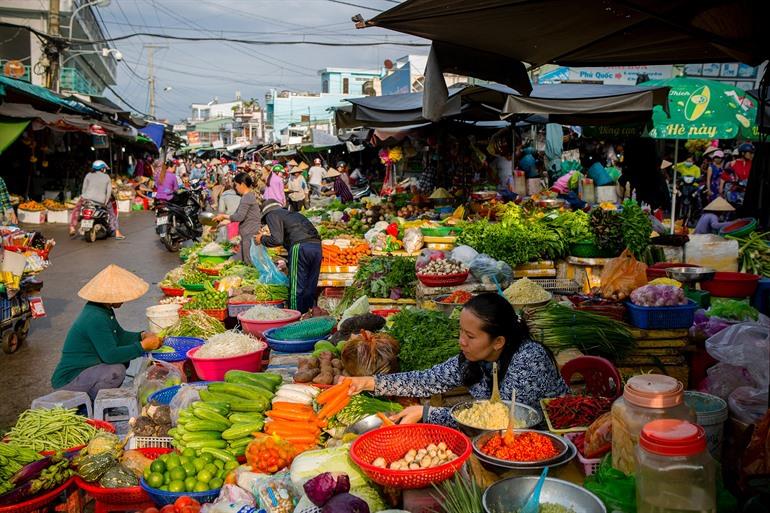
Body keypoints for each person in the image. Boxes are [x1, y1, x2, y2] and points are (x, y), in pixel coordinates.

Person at [347, 293, 569, 425]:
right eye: (461, 332)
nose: (461, 341)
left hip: (542, 443)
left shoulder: (529, 360)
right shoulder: (476, 357)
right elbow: (428, 380)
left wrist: (427, 413)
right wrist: (368, 382)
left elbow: (498, 419)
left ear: (498, 342)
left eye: (470, 336)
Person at [51, 265, 162, 400]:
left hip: (87, 370)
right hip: (69, 380)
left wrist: (141, 335)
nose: (124, 300)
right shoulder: (95, 317)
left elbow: (120, 336)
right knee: (116, 370)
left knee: (123, 361)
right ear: (110, 297)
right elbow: (110, 355)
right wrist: (143, 346)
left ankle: (92, 399)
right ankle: (89, 404)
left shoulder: (103, 310)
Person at [257, 199, 322, 313]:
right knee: (309, 288)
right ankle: (309, 316)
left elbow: (277, 239)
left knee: (296, 289)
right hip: (316, 247)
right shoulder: (293, 215)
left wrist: (261, 239)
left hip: (301, 246)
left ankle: (295, 318)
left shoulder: (271, 214)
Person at [212, 173, 261, 265]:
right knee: (241, 259)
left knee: (249, 262)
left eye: (236, 185)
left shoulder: (246, 197)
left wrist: (223, 216)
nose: (236, 188)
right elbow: (237, 217)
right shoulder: (247, 196)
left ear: (242, 184)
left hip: (250, 233)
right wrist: (219, 224)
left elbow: (239, 217)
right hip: (247, 233)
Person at [69, 160, 124, 239]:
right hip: (101, 200)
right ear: (102, 169)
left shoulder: (88, 175)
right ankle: (117, 232)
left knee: (77, 209)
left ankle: (72, 227)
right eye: (104, 168)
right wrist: (105, 202)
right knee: (112, 214)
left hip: (86, 199)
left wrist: (84, 197)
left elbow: (84, 189)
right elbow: (108, 193)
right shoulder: (107, 177)